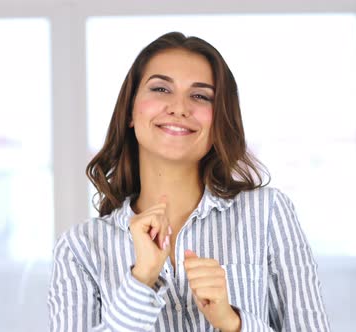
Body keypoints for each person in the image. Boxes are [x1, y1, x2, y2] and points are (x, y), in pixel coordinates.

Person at [48, 31, 330, 332]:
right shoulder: (79, 248)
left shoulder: (269, 213)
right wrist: (141, 280)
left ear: (219, 119)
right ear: (130, 110)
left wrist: (233, 322)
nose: (179, 107)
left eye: (200, 96)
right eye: (160, 89)